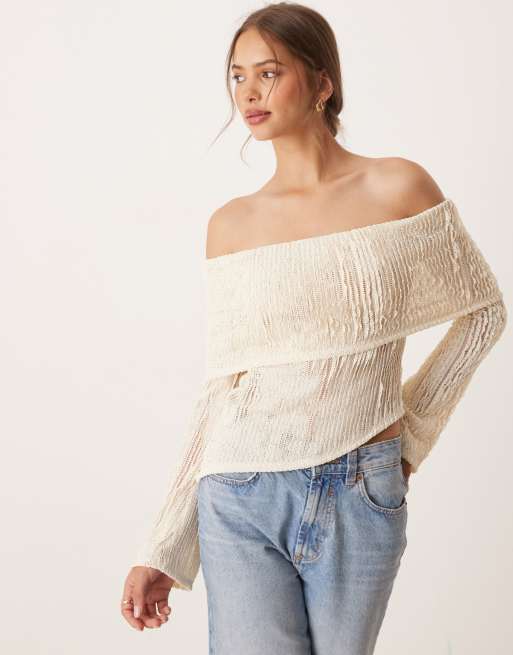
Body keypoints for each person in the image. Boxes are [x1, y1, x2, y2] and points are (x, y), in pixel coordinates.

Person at [120, 3, 507, 653]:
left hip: (360, 488)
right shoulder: (232, 226)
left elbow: (482, 314)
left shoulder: (397, 187)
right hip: (240, 491)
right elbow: (223, 390)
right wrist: (166, 544)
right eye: (238, 76)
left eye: (268, 72)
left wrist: (407, 437)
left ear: (323, 82)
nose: (248, 92)